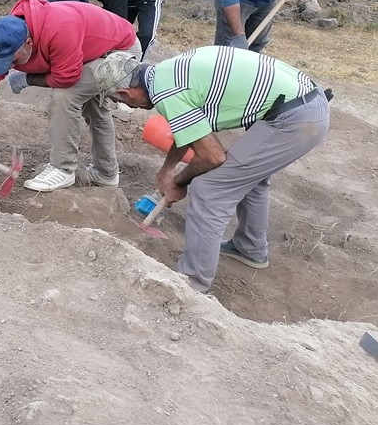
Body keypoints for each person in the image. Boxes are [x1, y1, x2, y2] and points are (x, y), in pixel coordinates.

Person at [114, 47, 331, 293]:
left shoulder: (166, 94)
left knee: (209, 189)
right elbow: (192, 131)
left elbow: (213, 156)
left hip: (296, 117)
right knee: (249, 177)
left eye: (121, 101)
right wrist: (168, 170)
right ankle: (250, 248)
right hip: (304, 103)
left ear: (125, 92)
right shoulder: (165, 73)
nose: (128, 106)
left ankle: (192, 283)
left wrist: (178, 182)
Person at [0, 0, 141, 192]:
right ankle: (106, 173)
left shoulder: (58, 29)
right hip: (86, 50)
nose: (8, 66)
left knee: (65, 96)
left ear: (28, 43)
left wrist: (27, 79)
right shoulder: (4, 41)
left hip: (119, 51)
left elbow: (66, 79)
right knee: (93, 107)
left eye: (12, 61)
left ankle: (63, 169)